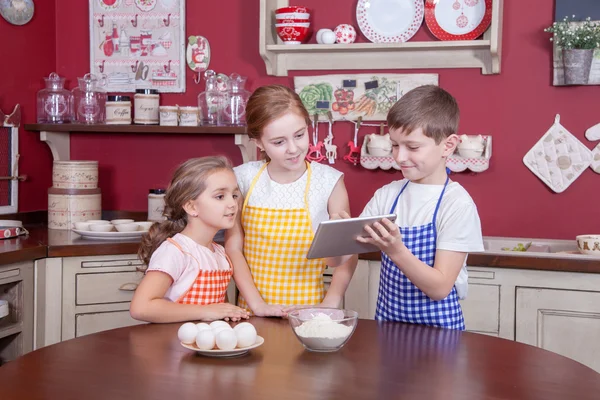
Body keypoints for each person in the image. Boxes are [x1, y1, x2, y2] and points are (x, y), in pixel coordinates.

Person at [355, 85, 484, 330]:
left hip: (441, 336)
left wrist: (396, 251)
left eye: (412, 147)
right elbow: (343, 253)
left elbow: (439, 288)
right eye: (394, 145)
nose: (400, 157)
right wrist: (337, 230)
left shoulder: (456, 204)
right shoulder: (388, 195)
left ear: (448, 146)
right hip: (389, 329)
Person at [225, 84, 358, 316]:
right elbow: (234, 248)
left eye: (299, 135)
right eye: (279, 142)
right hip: (253, 312)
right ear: (258, 143)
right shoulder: (243, 178)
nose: (293, 149)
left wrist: (331, 302)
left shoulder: (329, 181)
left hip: (311, 313)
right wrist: (258, 305)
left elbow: (347, 253)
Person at [130, 156, 250, 323]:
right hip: (174, 344)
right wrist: (205, 311)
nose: (233, 204)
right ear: (192, 207)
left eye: (235, 195)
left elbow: (219, 310)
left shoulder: (219, 253)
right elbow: (141, 307)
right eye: (220, 196)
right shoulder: (175, 251)